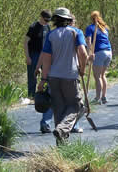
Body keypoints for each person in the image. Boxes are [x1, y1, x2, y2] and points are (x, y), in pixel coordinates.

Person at [37, 7, 88, 145]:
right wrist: (82, 69)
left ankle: (61, 146)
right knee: (77, 106)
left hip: (53, 77)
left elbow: (46, 59)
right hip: (70, 76)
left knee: (58, 109)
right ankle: (63, 128)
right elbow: (83, 53)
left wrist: (43, 79)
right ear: (69, 20)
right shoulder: (76, 32)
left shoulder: (51, 35)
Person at [86, 11, 112, 104]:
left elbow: (88, 42)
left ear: (91, 18)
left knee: (97, 77)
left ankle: (97, 98)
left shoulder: (90, 28)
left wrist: (89, 53)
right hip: (109, 52)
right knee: (102, 75)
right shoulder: (104, 28)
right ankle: (103, 97)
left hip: (99, 53)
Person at [24, 10, 52, 99]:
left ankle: (45, 94)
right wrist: (27, 57)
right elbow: (25, 42)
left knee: (47, 74)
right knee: (32, 75)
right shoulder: (33, 27)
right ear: (41, 17)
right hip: (34, 54)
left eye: (48, 20)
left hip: (45, 54)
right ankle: (31, 96)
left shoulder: (48, 27)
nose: (47, 22)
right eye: (45, 19)